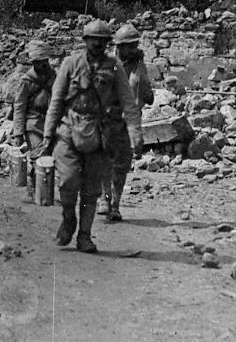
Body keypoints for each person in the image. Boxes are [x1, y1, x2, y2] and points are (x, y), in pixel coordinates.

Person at [42, 19, 143, 254]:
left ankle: (84, 236)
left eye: (102, 41)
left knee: (91, 190)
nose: (97, 44)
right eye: (93, 40)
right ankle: (69, 219)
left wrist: (134, 133)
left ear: (108, 43)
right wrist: (48, 135)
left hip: (100, 132)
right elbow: (56, 101)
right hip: (69, 130)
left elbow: (128, 102)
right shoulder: (70, 64)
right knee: (67, 181)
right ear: (85, 41)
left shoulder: (114, 66)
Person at [98, 23, 154, 222]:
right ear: (119, 46)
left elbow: (145, 92)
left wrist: (146, 90)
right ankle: (105, 199)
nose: (133, 49)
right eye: (129, 46)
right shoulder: (109, 63)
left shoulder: (139, 66)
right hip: (108, 118)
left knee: (122, 164)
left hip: (128, 121)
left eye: (135, 45)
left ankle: (115, 205)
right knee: (105, 160)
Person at [11, 40, 55, 196]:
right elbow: (19, 106)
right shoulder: (26, 81)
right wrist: (18, 133)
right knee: (38, 154)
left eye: (44, 61)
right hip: (33, 123)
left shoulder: (54, 76)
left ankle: (41, 189)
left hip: (51, 123)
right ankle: (35, 188)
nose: (42, 65)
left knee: (49, 156)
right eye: (38, 62)